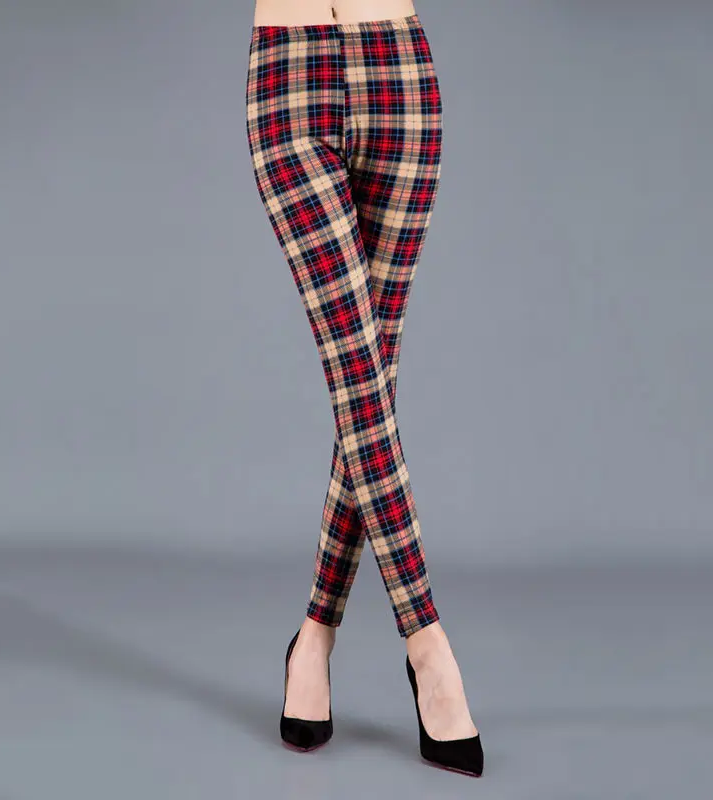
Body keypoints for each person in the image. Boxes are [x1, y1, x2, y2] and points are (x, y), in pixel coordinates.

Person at [245, 0, 483, 776]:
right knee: (359, 375)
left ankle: (314, 637)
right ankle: (428, 643)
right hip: (287, 76)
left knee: (368, 389)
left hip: (400, 72)